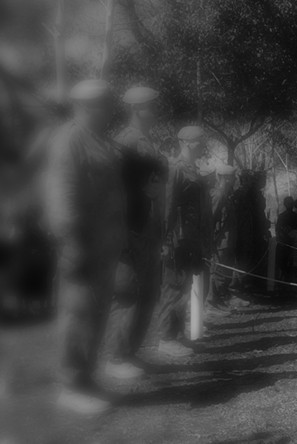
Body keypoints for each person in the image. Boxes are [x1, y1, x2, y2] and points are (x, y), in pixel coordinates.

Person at [45, 79, 126, 414]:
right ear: (86, 106)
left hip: (105, 245)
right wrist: (71, 241)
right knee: (77, 314)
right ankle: (70, 383)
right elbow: (61, 193)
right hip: (80, 244)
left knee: (97, 312)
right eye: (104, 104)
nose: (109, 110)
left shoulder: (101, 140)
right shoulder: (70, 140)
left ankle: (88, 377)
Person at [106, 85, 166, 381]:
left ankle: (131, 352)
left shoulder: (146, 142)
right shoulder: (125, 143)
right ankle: (117, 357)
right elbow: (115, 191)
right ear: (135, 109)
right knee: (127, 293)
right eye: (150, 107)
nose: (155, 112)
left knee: (146, 292)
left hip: (146, 226)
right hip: (129, 227)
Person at [157, 125, 211, 358]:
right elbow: (167, 206)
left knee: (185, 288)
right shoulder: (175, 168)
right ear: (187, 142)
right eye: (200, 141)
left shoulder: (193, 169)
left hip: (191, 238)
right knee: (173, 288)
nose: (203, 146)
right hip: (177, 239)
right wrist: (166, 239)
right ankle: (166, 338)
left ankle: (176, 336)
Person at [207, 164, 238, 317]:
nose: (234, 180)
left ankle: (217, 301)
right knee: (215, 271)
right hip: (219, 240)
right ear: (225, 178)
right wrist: (211, 241)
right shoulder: (218, 195)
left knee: (222, 272)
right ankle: (210, 303)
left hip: (226, 239)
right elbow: (211, 219)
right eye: (232, 177)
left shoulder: (226, 195)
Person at [275, 196, 295, 284]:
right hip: (283, 244)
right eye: (288, 203)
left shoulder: (296, 216)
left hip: (294, 244)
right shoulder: (281, 216)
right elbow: (278, 230)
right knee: (281, 264)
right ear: (285, 204)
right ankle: (282, 281)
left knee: (291, 265)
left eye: (291, 203)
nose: (289, 205)